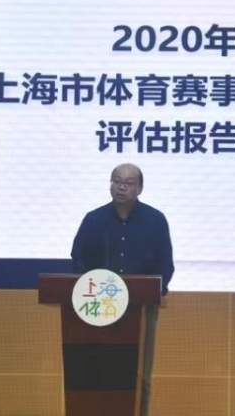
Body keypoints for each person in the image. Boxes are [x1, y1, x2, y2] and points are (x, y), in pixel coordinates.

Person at [71, 163, 174, 416]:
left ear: (140, 188)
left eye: (128, 183)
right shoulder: (93, 220)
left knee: (141, 375)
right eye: (116, 181)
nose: (121, 187)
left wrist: (156, 290)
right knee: (98, 373)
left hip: (141, 308)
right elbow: (78, 259)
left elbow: (166, 264)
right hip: (98, 310)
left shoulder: (155, 220)